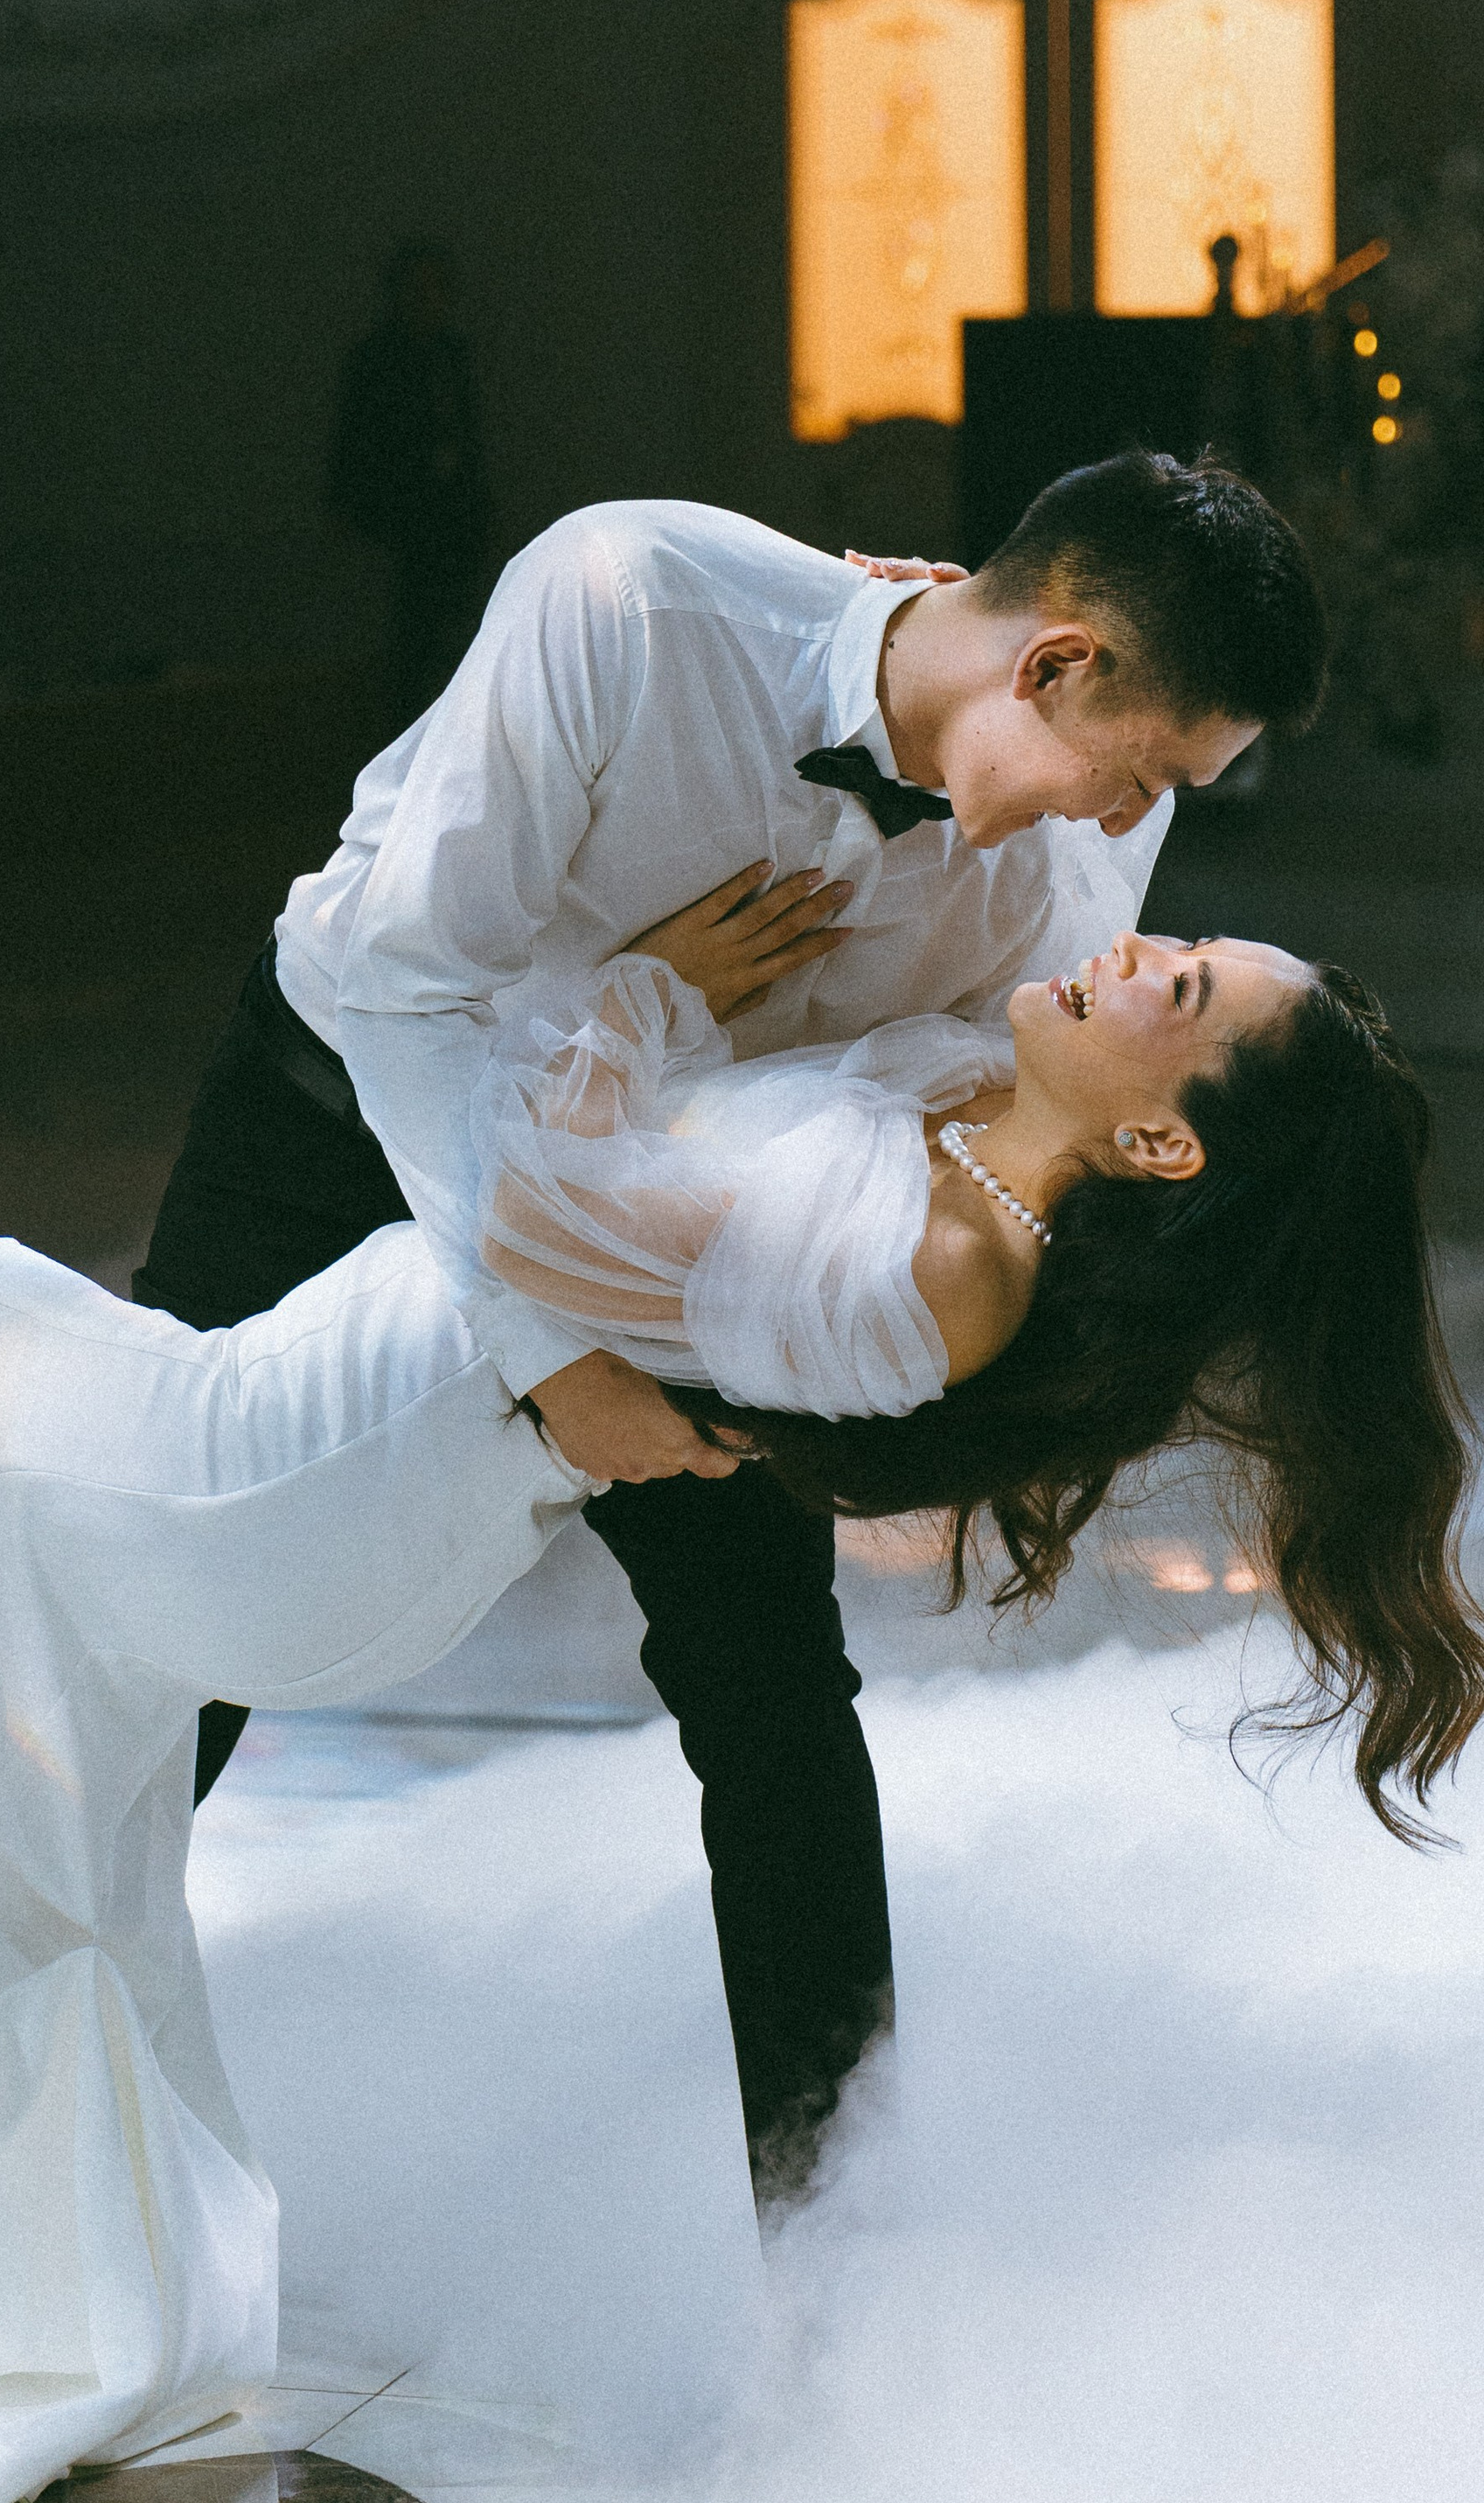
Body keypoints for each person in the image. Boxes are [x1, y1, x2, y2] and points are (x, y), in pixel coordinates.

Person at [0, 896, 1476, 2501]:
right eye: (1183, 943)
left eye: (1180, 985)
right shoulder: (960, 1149)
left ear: (1163, 1143)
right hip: (307, 1418)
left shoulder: (946, 1267)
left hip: (301, 1482)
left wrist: (644, 989)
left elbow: (537, 1222)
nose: (1134, 947)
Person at [135, 449, 1330, 2191]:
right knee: (178, 1588)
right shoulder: (627, 602)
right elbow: (407, 992)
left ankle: (837, 2258)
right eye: (1134, 772)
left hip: (689, 1220)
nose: (1124, 823)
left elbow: (985, 1075)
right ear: (1057, 662)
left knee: (769, 1695)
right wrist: (552, 1359)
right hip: (351, 1105)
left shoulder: (1090, 812)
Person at [329, 240, 493, 731]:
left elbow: (467, 438)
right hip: (399, 521)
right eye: (418, 288)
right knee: (407, 644)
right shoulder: (377, 359)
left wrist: (476, 506)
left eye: (435, 288)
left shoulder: (451, 355)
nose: (427, 299)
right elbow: (357, 443)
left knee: (451, 636)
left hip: (451, 519)